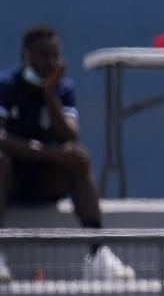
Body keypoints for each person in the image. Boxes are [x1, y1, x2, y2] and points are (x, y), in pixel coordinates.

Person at [0, 27, 134, 282]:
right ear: (27, 55)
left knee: (79, 157)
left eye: (55, 56)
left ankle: (97, 253)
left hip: (46, 182)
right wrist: (51, 153)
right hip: (12, 181)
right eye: (44, 55)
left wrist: (50, 95)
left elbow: (71, 134)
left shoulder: (63, 89)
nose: (51, 63)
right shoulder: (7, 85)